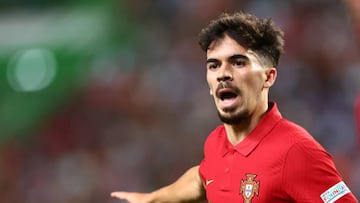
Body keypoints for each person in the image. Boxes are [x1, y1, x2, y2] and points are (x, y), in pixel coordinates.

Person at [111, 12, 359, 203]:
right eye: (214, 65)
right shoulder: (217, 143)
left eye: (238, 62)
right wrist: (154, 197)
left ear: (268, 77)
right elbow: (203, 178)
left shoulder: (296, 152)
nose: (223, 74)